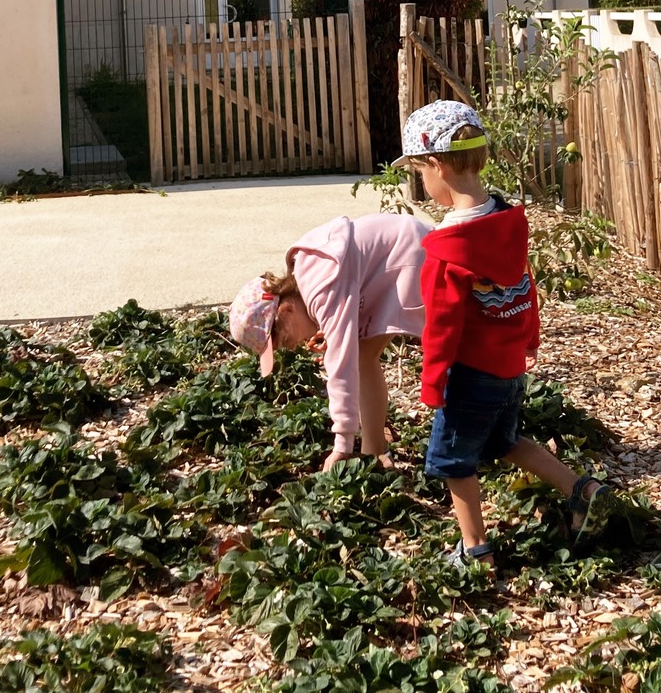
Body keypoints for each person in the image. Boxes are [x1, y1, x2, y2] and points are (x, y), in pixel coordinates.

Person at [403, 99, 611, 567]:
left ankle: (475, 549)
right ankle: (583, 489)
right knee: (505, 442)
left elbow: (442, 327)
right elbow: (525, 287)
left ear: (437, 165)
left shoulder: (446, 251)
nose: (423, 182)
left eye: (420, 172)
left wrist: (433, 383)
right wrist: (529, 339)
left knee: (454, 461)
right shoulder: (507, 222)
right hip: (509, 369)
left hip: (470, 376)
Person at [229, 211, 432, 469]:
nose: (294, 346)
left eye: (286, 339)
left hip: (412, 255)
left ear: (286, 310)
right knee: (363, 356)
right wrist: (331, 326)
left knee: (445, 346)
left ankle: (462, 439)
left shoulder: (321, 289)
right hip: (406, 245)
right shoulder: (308, 270)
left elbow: (340, 365)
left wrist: (342, 444)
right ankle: (374, 453)